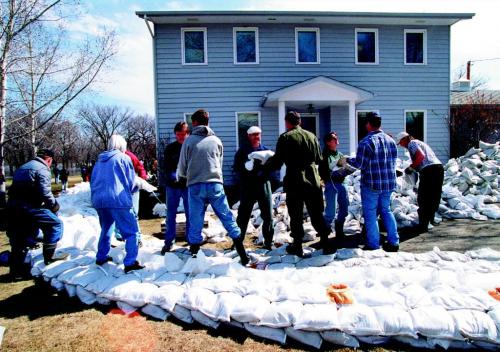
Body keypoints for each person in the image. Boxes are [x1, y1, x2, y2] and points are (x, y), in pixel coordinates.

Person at [177, 109, 249, 265]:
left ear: (194, 122)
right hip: (215, 184)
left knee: (195, 221)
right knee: (227, 217)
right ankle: (243, 254)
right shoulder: (217, 141)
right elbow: (219, 164)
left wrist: (184, 175)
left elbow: (182, 169)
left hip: (195, 185)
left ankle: (195, 256)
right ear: (208, 122)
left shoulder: (189, 141)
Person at [266, 111, 336, 257]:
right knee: (316, 212)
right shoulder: (312, 136)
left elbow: (277, 161)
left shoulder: (285, 137)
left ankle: (297, 245)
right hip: (312, 179)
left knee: (295, 213)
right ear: (300, 122)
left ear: (287, 123)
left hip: (295, 180)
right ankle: (326, 241)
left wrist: (263, 168)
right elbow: (319, 159)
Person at [6, 149, 66, 279]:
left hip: (13, 207)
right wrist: (54, 206)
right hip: (30, 206)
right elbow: (45, 192)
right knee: (55, 224)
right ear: (48, 159)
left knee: (21, 238)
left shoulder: (23, 167)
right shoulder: (42, 169)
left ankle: (16, 271)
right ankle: (49, 258)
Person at [344, 112, 399, 252]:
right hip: (388, 183)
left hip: (371, 184)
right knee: (386, 210)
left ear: (368, 124)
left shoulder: (366, 142)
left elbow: (360, 164)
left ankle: (373, 244)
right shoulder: (391, 141)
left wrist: (346, 160)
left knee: (370, 214)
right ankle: (394, 242)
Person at [90, 135, 144, 273]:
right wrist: (139, 187)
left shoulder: (99, 161)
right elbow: (131, 182)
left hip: (99, 200)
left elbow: (93, 181)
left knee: (107, 228)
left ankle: (101, 256)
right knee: (132, 232)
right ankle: (130, 262)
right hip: (118, 200)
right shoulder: (123, 158)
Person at [233, 126, 274, 249]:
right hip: (248, 186)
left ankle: (268, 242)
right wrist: (247, 171)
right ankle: (238, 243)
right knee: (243, 215)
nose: (256, 137)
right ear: (249, 136)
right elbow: (237, 168)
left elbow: (273, 168)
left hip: (263, 185)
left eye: (258, 134)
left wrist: (264, 171)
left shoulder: (266, 151)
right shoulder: (242, 151)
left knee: (268, 215)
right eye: (254, 134)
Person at [395, 132, 444, 233]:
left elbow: (420, 156)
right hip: (438, 168)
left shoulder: (412, 143)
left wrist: (411, 167)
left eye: (400, 143)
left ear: (405, 139)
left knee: (423, 197)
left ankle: (423, 225)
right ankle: (430, 220)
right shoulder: (420, 143)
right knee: (434, 196)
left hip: (429, 170)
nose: (401, 145)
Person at [162, 121, 190, 255]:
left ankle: (191, 241)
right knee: (170, 214)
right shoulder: (170, 148)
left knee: (191, 213)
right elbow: (166, 167)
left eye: (183, 134)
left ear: (187, 134)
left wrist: (186, 177)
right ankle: (169, 242)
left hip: (187, 186)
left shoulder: (191, 147)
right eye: (178, 134)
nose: (180, 137)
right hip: (172, 186)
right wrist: (173, 176)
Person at [318, 132, 350, 240]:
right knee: (330, 211)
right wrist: (330, 173)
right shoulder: (324, 155)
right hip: (331, 184)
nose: (336, 140)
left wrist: (346, 171)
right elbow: (321, 172)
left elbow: (344, 167)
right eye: (333, 139)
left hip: (342, 183)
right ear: (328, 142)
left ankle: (339, 229)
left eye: (336, 138)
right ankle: (324, 234)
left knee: (344, 208)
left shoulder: (340, 154)